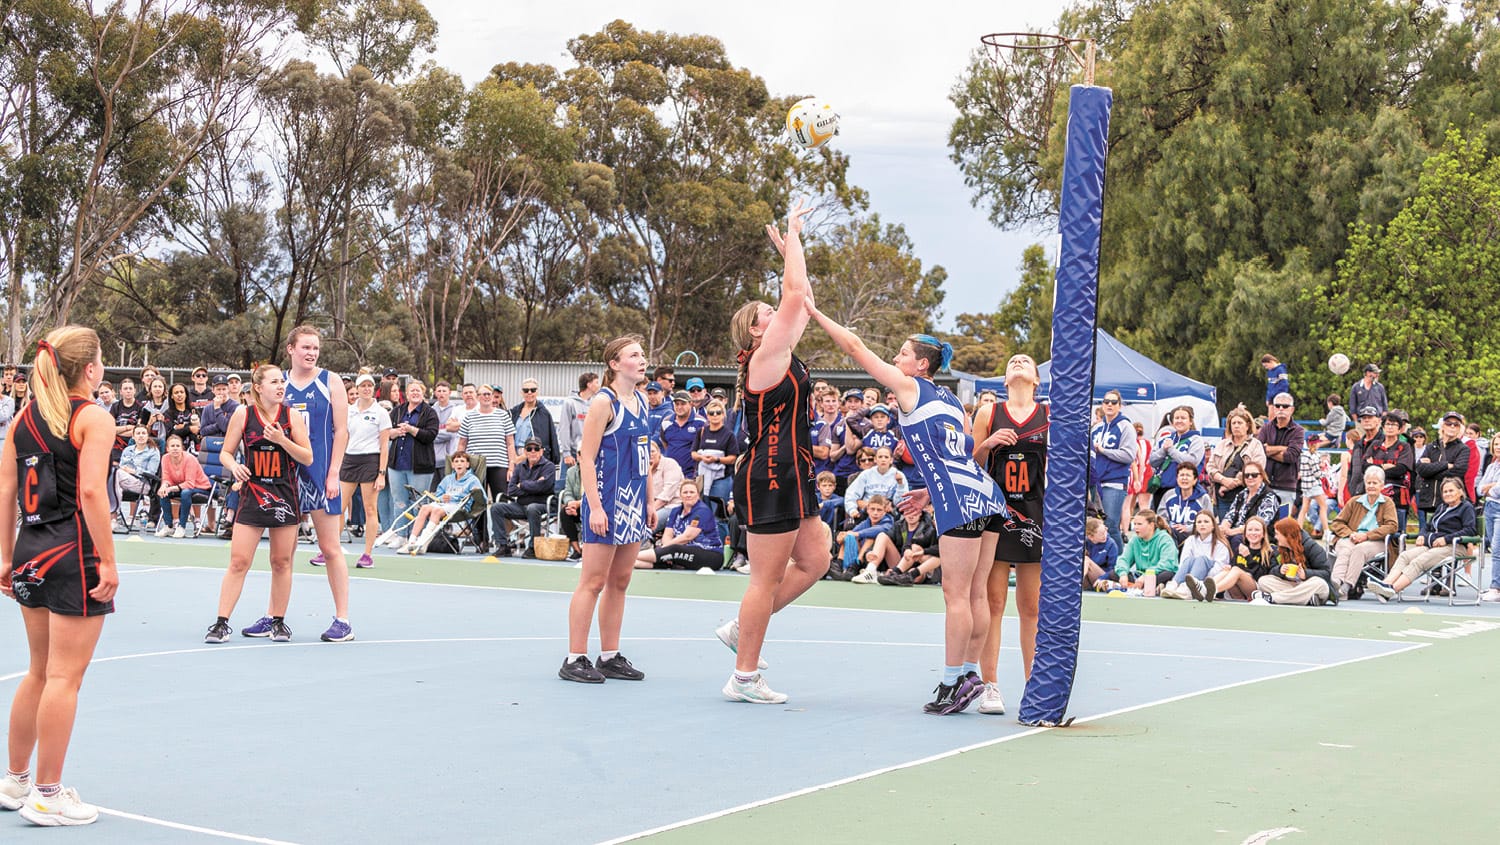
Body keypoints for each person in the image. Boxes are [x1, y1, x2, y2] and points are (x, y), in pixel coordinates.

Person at [807, 302, 1009, 715]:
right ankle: (970, 675)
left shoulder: (908, 387)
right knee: (976, 595)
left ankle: (953, 682)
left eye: (901, 354)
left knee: (955, 595)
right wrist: (928, 494)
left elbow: (855, 345)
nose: (895, 360)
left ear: (919, 364)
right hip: (985, 493)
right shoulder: (952, 400)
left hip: (959, 499)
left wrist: (811, 309)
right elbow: (963, 453)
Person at [715, 201, 843, 705]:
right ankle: (743, 675)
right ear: (754, 330)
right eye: (767, 313)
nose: (778, 311)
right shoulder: (765, 357)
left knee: (815, 558)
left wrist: (793, 252)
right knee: (764, 579)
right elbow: (795, 293)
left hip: (795, 470)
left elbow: (801, 298)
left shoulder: (782, 349)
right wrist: (793, 230)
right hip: (770, 472)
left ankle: (739, 630)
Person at [0, 327, 117, 826]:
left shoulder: (22, 419)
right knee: (65, 677)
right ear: (90, 369)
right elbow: (91, 493)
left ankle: (17, 778)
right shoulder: (91, 417)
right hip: (73, 553)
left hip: (30, 549)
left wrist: (4, 558)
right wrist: (108, 561)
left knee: (39, 670)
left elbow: (6, 490)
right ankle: (47, 794)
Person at [562, 335, 654, 684]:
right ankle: (574, 657)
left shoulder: (643, 401)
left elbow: (645, 455)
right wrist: (595, 506)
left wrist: (648, 499)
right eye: (633, 355)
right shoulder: (604, 403)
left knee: (621, 580)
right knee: (593, 581)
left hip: (633, 500)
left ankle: (610, 655)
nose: (641, 359)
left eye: (642, 354)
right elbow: (586, 457)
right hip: (606, 500)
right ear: (615, 364)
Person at [204, 364, 314, 644]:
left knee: (281, 561)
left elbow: (307, 457)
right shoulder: (244, 414)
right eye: (274, 382)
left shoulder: (292, 417)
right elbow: (227, 453)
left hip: (285, 495)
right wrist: (235, 466)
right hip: (253, 493)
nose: (281, 386)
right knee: (239, 561)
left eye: (282, 381)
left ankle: (278, 622)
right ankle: (221, 623)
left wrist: (282, 440)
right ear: (259, 387)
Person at [970, 352, 1048, 715]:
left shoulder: (1049, 416)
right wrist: (986, 445)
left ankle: (1034, 686)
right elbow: (970, 465)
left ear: (1036, 379)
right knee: (994, 603)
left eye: (1025, 361)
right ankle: (991, 686)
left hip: (1035, 514)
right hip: (997, 514)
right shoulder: (988, 413)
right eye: (1012, 361)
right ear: (1004, 380)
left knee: (1030, 606)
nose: (1018, 362)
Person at [280, 326, 354, 643]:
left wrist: (334, 471)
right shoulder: (279, 384)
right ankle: (275, 616)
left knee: (330, 547)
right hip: (286, 476)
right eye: (306, 347)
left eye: (316, 348)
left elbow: (341, 431)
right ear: (291, 349)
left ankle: (343, 620)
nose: (311, 352)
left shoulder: (330, 381)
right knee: (283, 552)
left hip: (322, 474)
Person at [1366, 477, 1476, 602]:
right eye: (1445, 492)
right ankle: (1386, 584)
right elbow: (1427, 526)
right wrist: (1422, 535)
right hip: (1432, 545)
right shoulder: (1442, 507)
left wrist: (1446, 539)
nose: (1448, 494)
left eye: (1451, 491)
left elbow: (1470, 530)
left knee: (1418, 561)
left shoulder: (1466, 507)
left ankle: (1392, 590)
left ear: (1460, 492)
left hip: (1454, 546)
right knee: (1405, 556)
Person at [338, 373, 391, 569]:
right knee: (338, 507)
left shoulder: (381, 412)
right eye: (363, 386)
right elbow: (344, 438)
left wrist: (381, 473)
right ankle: (330, 551)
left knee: (370, 508)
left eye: (370, 385)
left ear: (373, 389)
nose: (366, 388)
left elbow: (384, 445)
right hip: (350, 459)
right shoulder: (348, 411)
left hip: (370, 460)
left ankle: (367, 554)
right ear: (357, 389)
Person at [456, 383, 515, 548]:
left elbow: (510, 443)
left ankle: (502, 539)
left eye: (489, 394)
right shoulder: (469, 417)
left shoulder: (503, 416)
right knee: (478, 502)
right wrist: (460, 465)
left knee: (500, 502)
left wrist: (512, 466)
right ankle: (482, 539)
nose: (486, 397)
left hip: (499, 464)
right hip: (477, 466)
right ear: (478, 396)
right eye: (483, 394)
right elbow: (462, 444)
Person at [381, 379, 440, 547]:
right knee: (399, 501)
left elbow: (431, 435)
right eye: (412, 390)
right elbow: (385, 432)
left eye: (418, 390)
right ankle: (401, 535)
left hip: (420, 467)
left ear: (423, 393)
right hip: (396, 464)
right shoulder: (398, 411)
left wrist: (412, 430)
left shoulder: (429, 413)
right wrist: (395, 432)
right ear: (406, 394)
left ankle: (417, 537)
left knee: (419, 503)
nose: (415, 393)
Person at [1328, 466, 1400, 601]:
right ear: (1365, 483)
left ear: (1382, 485)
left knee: (1359, 549)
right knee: (1345, 548)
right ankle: (1335, 583)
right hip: (1351, 537)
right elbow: (1337, 523)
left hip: (1375, 541)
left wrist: (1367, 536)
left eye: (1375, 483)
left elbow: (1392, 526)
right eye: (1369, 483)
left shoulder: (1387, 503)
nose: (1371, 486)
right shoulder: (1354, 501)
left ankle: (1347, 587)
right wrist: (1351, 534)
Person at [402, 452, 484, 554]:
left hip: (459, 507)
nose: (459, 464)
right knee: (425, 508)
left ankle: (423, 542)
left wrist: (455, 497)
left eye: (462, 461)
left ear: (467, 465)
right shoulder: (447, 479)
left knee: (437, 511)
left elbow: (482, 497)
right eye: (456, 461)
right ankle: (411, 542)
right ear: (452, 465)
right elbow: (438, 495)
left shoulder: (473, 480)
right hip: (444, 505)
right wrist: (442, 498)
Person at [635, 478, 722, 570]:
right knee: (669, 552)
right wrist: (665, 549)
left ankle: (627, 559)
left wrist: (664, 549)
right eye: (685, 492)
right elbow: (667, 535)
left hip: (710, 555)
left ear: (698, 495)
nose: (688, 495)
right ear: (680, 495)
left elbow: (687, 537)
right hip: (682, 553)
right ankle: (626, 563)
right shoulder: (675, 511)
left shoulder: (702, 511)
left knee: (674, 549)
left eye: (692, 492)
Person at [492, 437, 557, 557]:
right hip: (521, 505)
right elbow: (511, 490)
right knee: (496, 507)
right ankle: (503, 545)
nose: (533, 451)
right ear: (525, 452)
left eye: (536, 448)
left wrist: (522, 485)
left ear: (541, 451)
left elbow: (544, 487)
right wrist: (535, 485)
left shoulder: (549, 466)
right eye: (529, 448)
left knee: (532, 508)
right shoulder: (519, 467)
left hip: (543, 505)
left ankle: (533, 547)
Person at [1090, 389, 1136, 549]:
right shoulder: (1096, 428)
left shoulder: (1126, 426)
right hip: (1095, 482)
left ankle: (1120, 561)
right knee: (1095, 524)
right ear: (1102, 405)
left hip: (1114, 482)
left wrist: (1103, 450)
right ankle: (1104, 561)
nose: (1109, 404)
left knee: (1110, 524)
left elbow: (1129, 455)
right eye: (1106, 401)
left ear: (1120, 405)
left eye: (1114, 402)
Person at [1254, 517, 1333, 606]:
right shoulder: (1279, 549)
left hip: (1308, 586)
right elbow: (1271, 570)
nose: (1275, 537)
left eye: (1277, 534)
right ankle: (1305, 599)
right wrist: (1280, 570)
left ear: (1287, 535)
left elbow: (1326, 573)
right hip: (1293, 586)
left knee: (1319, 583)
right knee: (1263, 581)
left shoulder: (1312, 547)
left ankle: (1273, 598)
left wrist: (1306, 574)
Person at [1414, 411, 1471, 534]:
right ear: (1442, 426)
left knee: (1443, 536)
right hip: (1427, 501)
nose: (1452, 426)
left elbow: (1457, 472)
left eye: (1455, 424)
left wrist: (1431, 469)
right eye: (1448, 423)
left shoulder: (1463, 449)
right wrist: (1445, 465)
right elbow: (1421, 470)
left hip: (1448, 501)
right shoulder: (1431, 447)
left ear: (1460, 429)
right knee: (1424, 536)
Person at [1206, 407, 1266, 520]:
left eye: (1239, 423)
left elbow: (1258, 468)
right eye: (1233, 423)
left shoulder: (1255, 445)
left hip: (1246, 496)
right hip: (1222, 497)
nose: (1236, 426)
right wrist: (1223, 480)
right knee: (1224, 530)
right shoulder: (1222, 444)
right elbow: (1210, 466)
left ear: (1247, 426)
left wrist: (1233, 483)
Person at [1106, 510, 1179, 596]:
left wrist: (1146, 576)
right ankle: (1146, 588)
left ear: (1151, 525)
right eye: (1135, 524)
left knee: (1167, 574)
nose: (1136, 527)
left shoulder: (1164, 538)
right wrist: (1123, 574)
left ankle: (1144, 587)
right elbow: (1124, 559)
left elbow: (1167, 563)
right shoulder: (1135, 540)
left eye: (1139, 524)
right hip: (1139, 576)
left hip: (1157, 574)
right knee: (1114, 573)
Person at [1160, 512, 1231, 600]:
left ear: (1213, 526)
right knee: (1189, 560)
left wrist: (1202, 578)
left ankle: (1188, 588)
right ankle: (1174, 584)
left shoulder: (1220, 544)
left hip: (1207, 581)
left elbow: (1219, 568)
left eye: (1206, 522)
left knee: (1202, 559)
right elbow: (1183, 563)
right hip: (1187, 576)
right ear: (1195, 526)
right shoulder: (1190, 540)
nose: (1202, 524)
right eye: (1199, 522)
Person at [1365, 411, 1415, 530]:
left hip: (1397, 498)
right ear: (1382, 427)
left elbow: (1401, 469)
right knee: (1373, 530)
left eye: (1394, 425)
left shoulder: (1405, 447)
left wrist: (1376, 467)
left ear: (1399, 429)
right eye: (1387, 424)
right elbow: (1364, 467)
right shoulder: (1375, 445)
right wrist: (1386, 466)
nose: (1390, 427)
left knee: (1396, 535)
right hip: (1374, 497)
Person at [154, 434, 212, 537]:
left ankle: (182, 526)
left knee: (185, 493)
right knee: (162, 493)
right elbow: (166, 478)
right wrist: (164, 486)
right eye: (172, 446)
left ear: (182, 448)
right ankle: (169, 526)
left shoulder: (190, 459)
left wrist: (170, 488)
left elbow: (190, 483)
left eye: (177, 446)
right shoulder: (165, 458)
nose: (175, 448)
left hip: (199, 487)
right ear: (167, 448)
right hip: (180, 486)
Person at [1209, 515, 1276, 601]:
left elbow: (1261, 576)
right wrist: (1229, 567)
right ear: (1245, 533)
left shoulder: (1268, 552)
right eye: (1250, 530)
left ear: (1263, 534)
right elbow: (1233, 565)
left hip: (1257, 589)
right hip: (1238, 590)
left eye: (1257, 530)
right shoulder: (1241, 548)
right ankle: (1204, 588)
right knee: (1227, 571)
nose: (1253, 533)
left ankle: (1213, 590)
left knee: (1236, 570)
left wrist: (1248, 557)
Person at [1257, 392, 1305, 509]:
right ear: (1273, 408)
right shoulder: (1265, 428)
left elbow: (1291, 456)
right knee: (1263, 523)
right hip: (1265, 484)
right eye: (1277, 406)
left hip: (1286, 485)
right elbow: (1259, 450)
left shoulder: (1298, 431)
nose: (1281, 409)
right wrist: (1282, 448)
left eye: (1285, 406)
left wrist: (1268, 450)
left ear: (1292, 409)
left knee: (1283, 524)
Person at [871, 506, 940, 586]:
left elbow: (942, 550)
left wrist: (923, 552)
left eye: (914, 512)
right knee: (883, 535)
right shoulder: (899, 525)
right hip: (905, 560)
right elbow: (913, 542)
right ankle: (878, 570)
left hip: (931, 568)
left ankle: (910, 575)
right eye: (908, 512)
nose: (911, 515)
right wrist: (907, 549)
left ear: (920, 513)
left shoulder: (928, 528)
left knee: (933, 555)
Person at [833, 494, 895, 580]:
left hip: (881, 561)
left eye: (879, 510)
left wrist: (857, 534)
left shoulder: (888, 522)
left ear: (885, 511)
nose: (875, 513)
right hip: (867, 557)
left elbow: (878, 530)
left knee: (871, 537)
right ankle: (839, 564)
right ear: (868, 510)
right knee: (849, 536)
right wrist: (843, 536)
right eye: (872, 509)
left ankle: (856, 564)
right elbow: (853, 532)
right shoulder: (867, 522)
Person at [113, 424, 161, 529]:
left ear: (148, 436)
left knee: (116, 475)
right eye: (138, 433)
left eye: (143, 433)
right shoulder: (127, 450)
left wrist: (134, 471)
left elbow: (152, 473)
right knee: (114, 475)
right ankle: (114, 517)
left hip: (143, 484)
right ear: (133, 436)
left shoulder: (153, 451)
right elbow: (121, 466)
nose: (141, 436)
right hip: (123, 481)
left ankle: (113, 516)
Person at [691, 397, 739, 501]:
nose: (715, 415)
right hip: (702, 478)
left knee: (717, 513)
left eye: (718, 412)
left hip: (721, 480)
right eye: (711, 413)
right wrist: (702, 457)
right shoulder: (702, 431)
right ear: (707, 416)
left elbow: (733, 458)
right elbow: (693, 453)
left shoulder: (729, 435)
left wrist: (716, 459)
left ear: (723, 414)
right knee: (702, 512)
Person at [843, 445, 908, 519]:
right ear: (875, 459)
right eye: (880, 457)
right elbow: (851, 494)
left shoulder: (899, 475)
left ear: (891, 460)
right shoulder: (866, 474)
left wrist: (900, 485)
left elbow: (899, 503)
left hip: (887, 514)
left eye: (886, 457)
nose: (883, 460)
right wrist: (852, 510)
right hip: (866, 512)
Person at [1220, 459, 1279, 538]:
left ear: (1261, 476)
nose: (1250, 477)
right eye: (1246, 475)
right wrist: (1224, 528)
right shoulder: (1241, 494)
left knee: (1236, 540)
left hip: (1258, 537)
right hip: (1236, 533)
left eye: (1254, 475)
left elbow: (1259, 525)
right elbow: (1230, 516)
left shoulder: (1269, 496)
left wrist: (1231, 532)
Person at [1159, 463, 1212, 547]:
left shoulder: (1203, 498)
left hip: (1192, 534)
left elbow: (1209, 522)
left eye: (1188, 475)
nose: (1184, 478)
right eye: (1181, 475)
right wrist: (1168, 527)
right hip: (1170, 532)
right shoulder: (1169, 495)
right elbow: (1161, 517)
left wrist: (1188, 528)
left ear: (1195, 480)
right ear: (1177, 478)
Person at [510, 378, 559, 467]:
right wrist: (513, 457)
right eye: (526, 390)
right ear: (521, 393)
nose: (529, 393)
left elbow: (549, 439)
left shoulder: (544, 413)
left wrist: (523, 457)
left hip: (532, 454)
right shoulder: (514, 412)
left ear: (537, 392)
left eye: (533, 390)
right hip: (513, 454)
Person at [560, 373, 598, 470]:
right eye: (596, 382)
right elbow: (564, 428)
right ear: (589, 385)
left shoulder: (596, 403)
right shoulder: (570, 403)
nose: (599, 385)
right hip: (572, 454)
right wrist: (566, 453)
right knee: (567, 484)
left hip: (590, 454)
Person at [1081, 517, 1121, 591]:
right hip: (1087, 577)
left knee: (1087, 560)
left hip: (1104, 578)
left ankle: (1076, 583)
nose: (1105, 535)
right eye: (1102, 534)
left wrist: (1102, 578)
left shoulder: (1111, 544)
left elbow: (1113, 570)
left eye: (1105, 531)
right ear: (1091, 537)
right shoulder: (1084, 542)